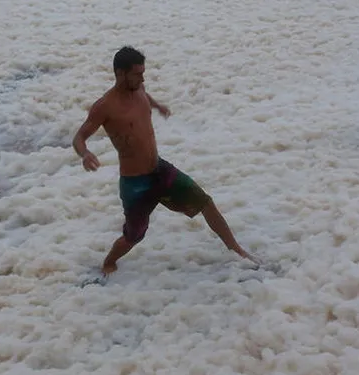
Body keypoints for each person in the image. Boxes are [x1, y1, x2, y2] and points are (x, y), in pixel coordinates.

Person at [72, 46, 257, 276]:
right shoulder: (105, 106)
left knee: (205, 202)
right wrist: (85, 154)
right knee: (134, 236)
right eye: (137, 74)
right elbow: (79, 137)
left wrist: (157, 105)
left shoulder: (140, 89)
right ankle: (109, 262)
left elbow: (144, 96)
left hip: (159, 170)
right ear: (120, 73)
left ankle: (236, 250)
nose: (142, 78)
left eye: (143, 73)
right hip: (135, 184)